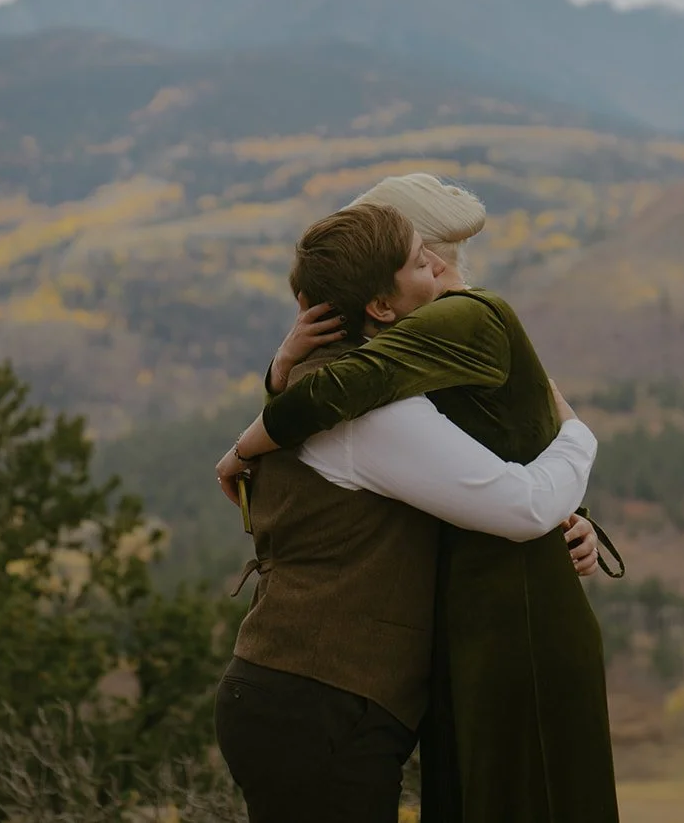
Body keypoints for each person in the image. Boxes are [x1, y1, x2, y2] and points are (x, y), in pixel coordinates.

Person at [215, 173, 622, 823]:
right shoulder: (364, 411)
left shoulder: (345, 383)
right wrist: (580, 441)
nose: (436, 270)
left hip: (309, 700)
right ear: (378, 302)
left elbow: (479, 451)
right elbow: (517, 506)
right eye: (415, 261)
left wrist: (572, 519)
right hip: (321, 702)